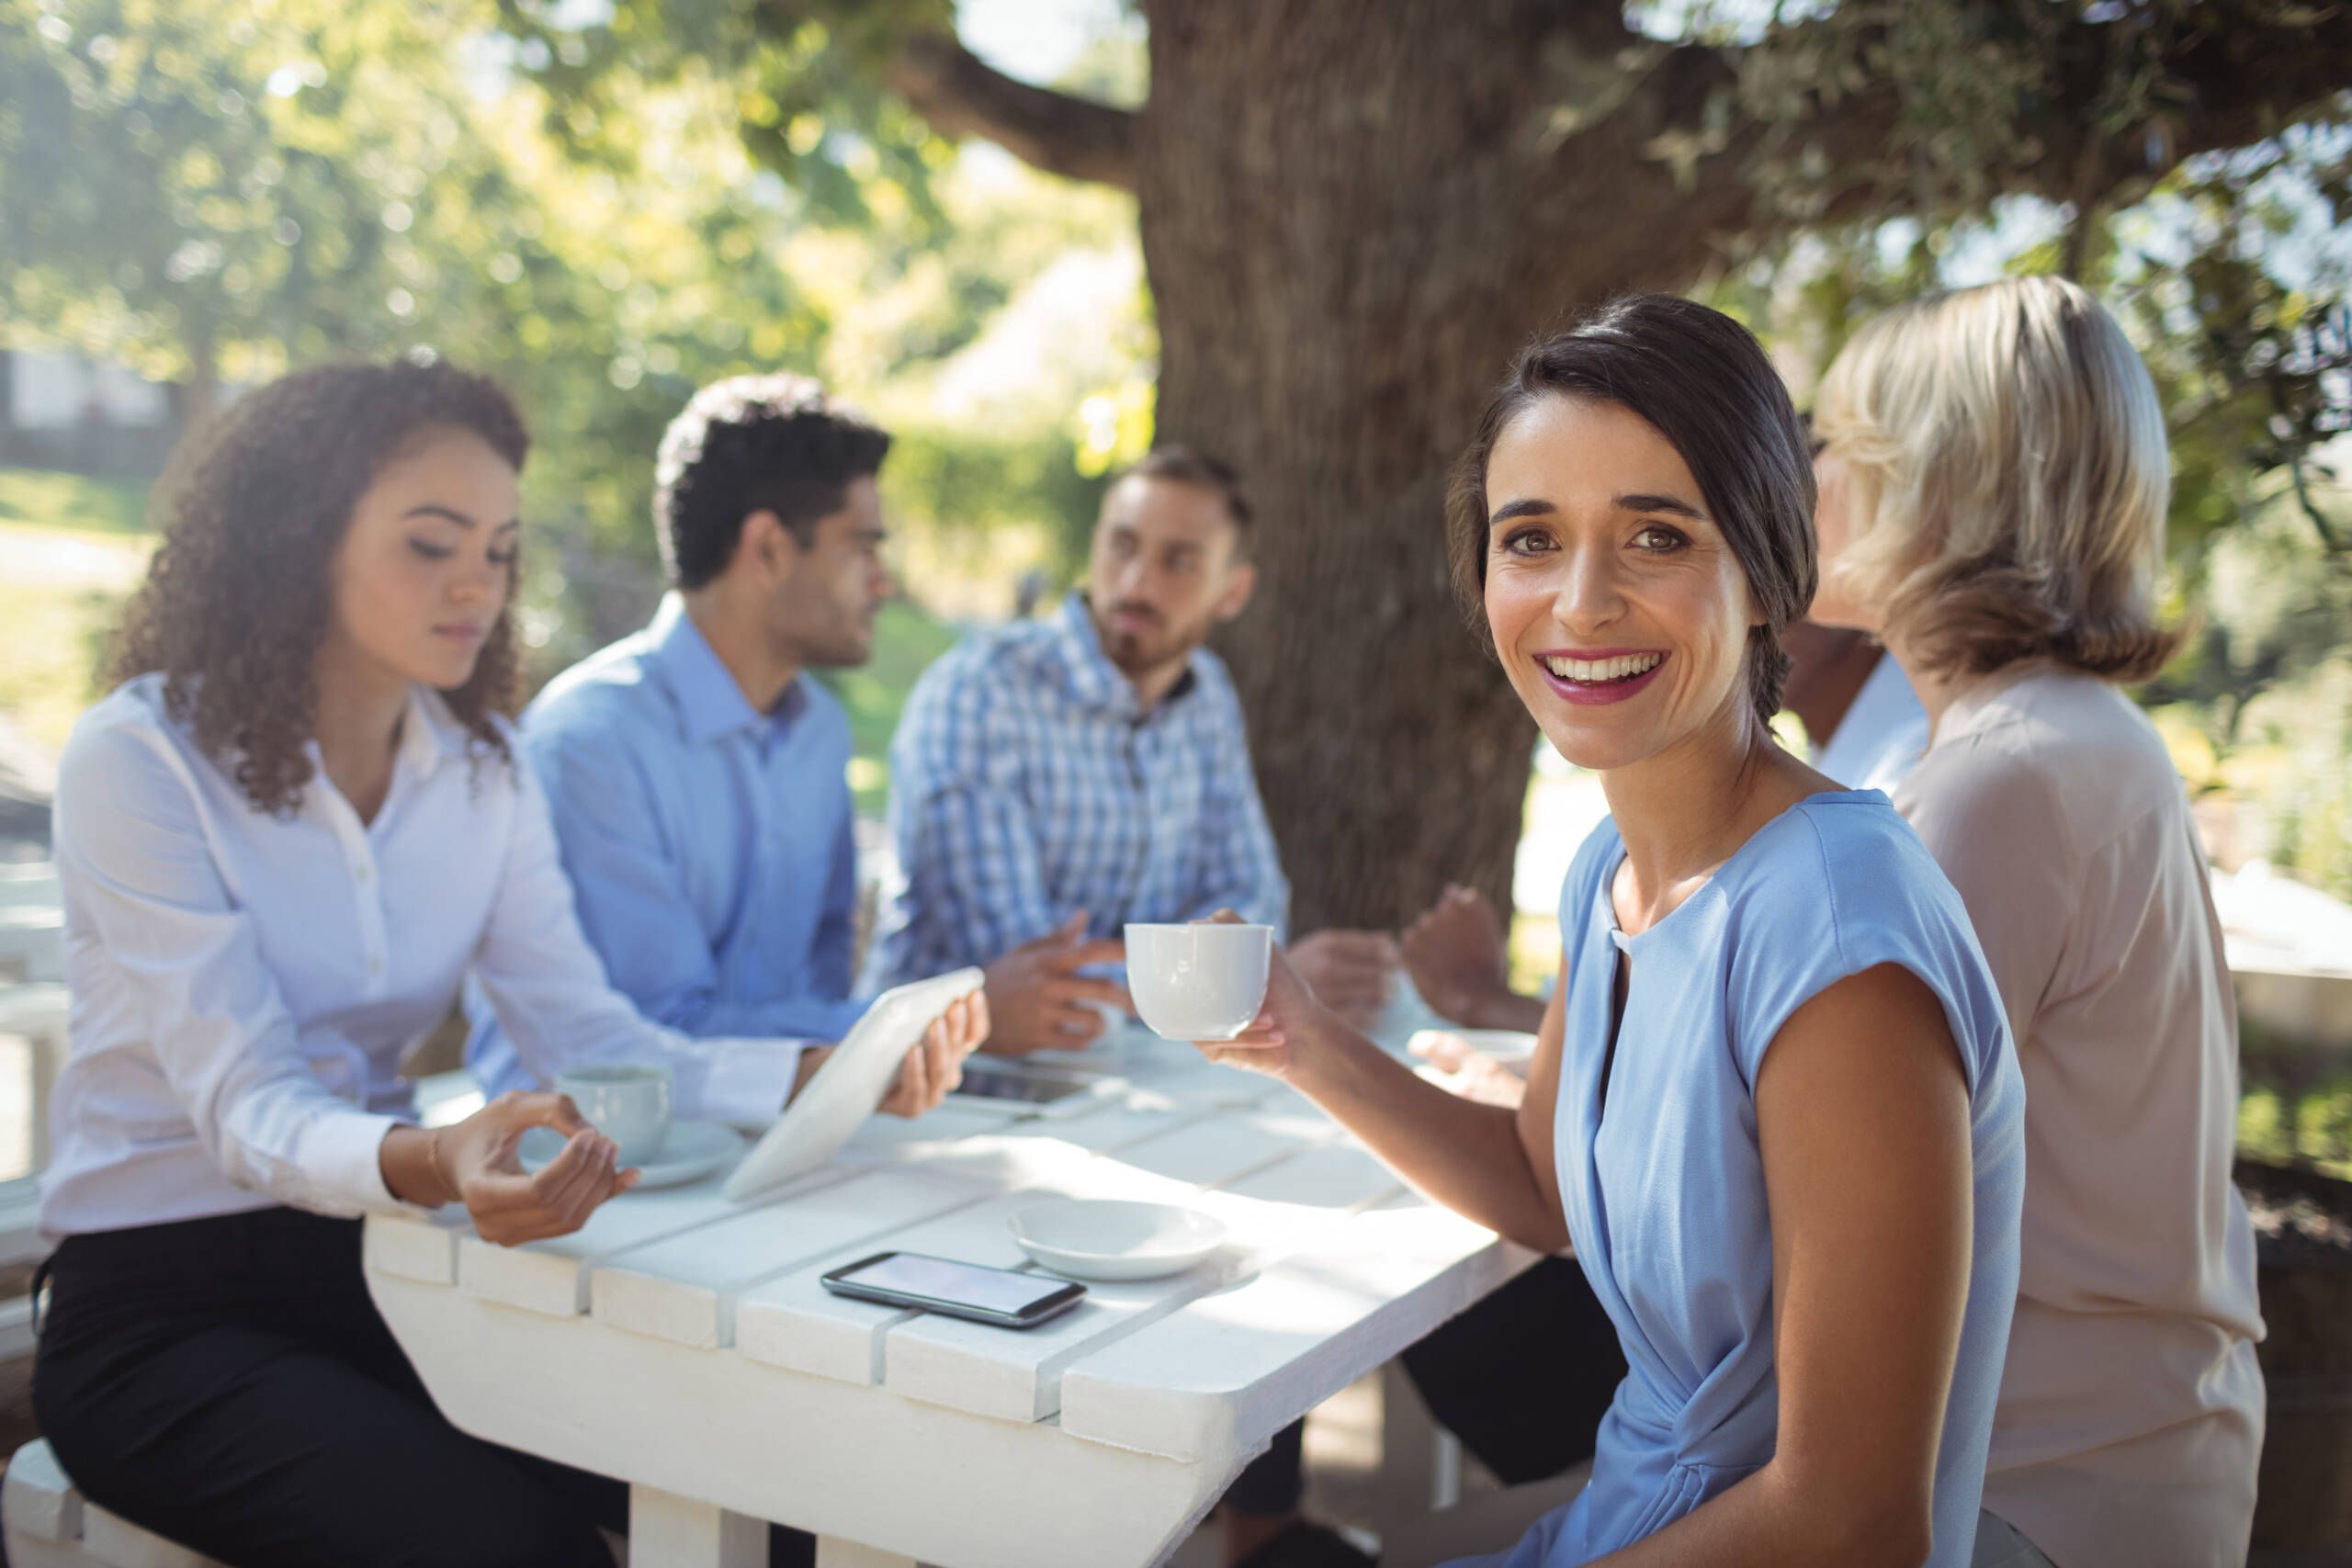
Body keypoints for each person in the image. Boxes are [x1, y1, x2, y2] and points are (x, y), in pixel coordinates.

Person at [32, 357, 983, 1568]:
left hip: (382, 1264)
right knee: (514, 1539)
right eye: (432, 543)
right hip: (157, 1310)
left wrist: (820, 1070)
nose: (478, 582)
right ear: (293, 540)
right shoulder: (140, 760)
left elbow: (590, 1035)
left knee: (760, 1474)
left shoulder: (483, 770)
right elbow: (244, 1107)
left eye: (499, 546)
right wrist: (434, 1157)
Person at [1197, 294, 2027, 1566]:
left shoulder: (1836, 919)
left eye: (1655, 536)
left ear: (1765, 574)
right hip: (1631, 1508)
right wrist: (1298, 1037)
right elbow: (1541, 1190)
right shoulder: (1610, 872)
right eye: (1530, 538)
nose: (1581, 601)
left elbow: (1857, 1519)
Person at [1811, 275, 2265, 1568]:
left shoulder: (1996, 779)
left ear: (1937, 488)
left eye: (1843, 441)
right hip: (2130, 1456)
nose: (1816, 473)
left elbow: (1821, 1192)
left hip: (2037, 1491)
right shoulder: (2073, 735)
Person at [873, 446, 1401, 1052]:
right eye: (1122, 546)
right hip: (961, 1093)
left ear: (1233, 591)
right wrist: (1243, 985)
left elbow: (1250, 900)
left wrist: (1235, 976)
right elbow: (1041, 978)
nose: (1137, 582)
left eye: (1179, 562)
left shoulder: (1207, 697)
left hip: (1142, 1078)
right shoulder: (980, 693)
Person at [468, 374, 899, 1097]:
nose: (883, 581)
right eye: (863, 548)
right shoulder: (590, 745)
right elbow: (652, 1036)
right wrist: (897, 1031)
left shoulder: (819, 730)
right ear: (767, 549)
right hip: (596, 1173)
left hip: (774, 1139)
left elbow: (819, 981)